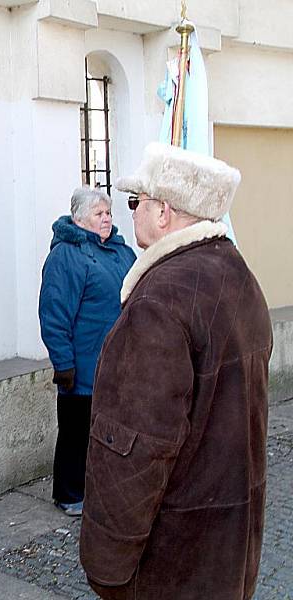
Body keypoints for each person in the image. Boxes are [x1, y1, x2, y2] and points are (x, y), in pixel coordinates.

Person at [80, 143, 273, 600]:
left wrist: (107, 567)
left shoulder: (160, 300)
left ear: (163, 212)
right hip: (229, 545)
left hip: (174, 558)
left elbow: (131, 449)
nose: (130, 213)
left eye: (136, 202)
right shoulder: (239, 276)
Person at [38, 187, 136, 517]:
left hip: (118, 364)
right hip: (82, 368)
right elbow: (54, 312)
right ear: (80, 219)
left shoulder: (121, 252)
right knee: (76, 435)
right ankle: (69, 493)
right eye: (99, 213)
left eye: (108, 212)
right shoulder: (66, 256)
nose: (107, 218)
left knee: (110, 434)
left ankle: (100, 488)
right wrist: (63, 363)